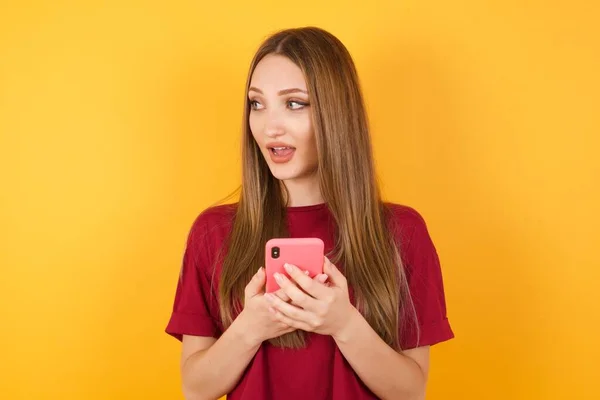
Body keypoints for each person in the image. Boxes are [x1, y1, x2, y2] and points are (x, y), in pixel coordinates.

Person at [165, 26, 454, 400]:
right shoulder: (214, 232)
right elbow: (195, 389)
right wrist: (250, 326)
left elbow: (411, 392)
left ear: (336, 114)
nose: (270, 127)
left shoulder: (401, 232)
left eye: (294, 103)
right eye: (257, 103)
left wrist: (344, 323)